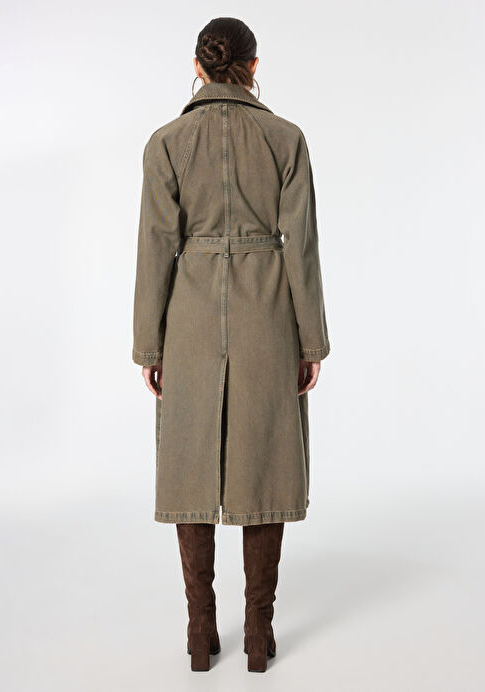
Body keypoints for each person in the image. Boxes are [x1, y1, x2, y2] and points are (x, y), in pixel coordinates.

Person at [132, 16, 330, 672]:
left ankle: (199, 630)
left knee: (189, 460)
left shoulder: (165, 143)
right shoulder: (285, 138)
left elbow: (155, 247)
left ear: (198, 66)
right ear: (252, 66)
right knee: (265, 459)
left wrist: (149, 345)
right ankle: (258, 632)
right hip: (267, 312)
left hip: (188, 314)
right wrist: (310, 340)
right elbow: (300, 248)